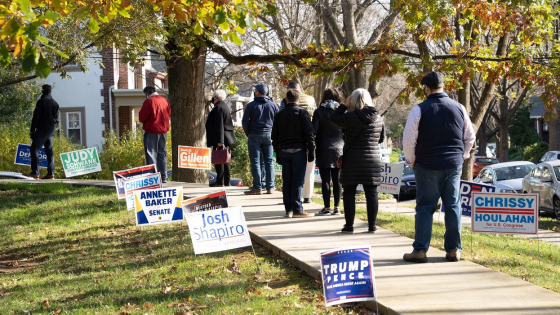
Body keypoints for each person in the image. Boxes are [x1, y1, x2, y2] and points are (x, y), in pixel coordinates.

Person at [402, 72, 475, 263]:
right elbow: (470, 137)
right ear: (443, 86)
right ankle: (453, 250)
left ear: (426, 88)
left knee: (425, 207)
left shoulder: (419, 110)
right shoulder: (459, 108)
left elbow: (409, 140)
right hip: (453, 164)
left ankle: (420, 250)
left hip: (426, 165)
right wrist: (463, 155)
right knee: (452, 206)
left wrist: (411, 160)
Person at [330, 88, 384, 234]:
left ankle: (349, 225)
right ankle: (372, 225)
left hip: (352, 160)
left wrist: (344, 106)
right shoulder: (378, 117)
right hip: (371, 160)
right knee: (371, 193)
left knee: (349, 192)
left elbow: (333, 118)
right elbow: (381, 139)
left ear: (352, 100)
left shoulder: (350, 117)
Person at [272, 89, 315, 217]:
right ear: (299, 100)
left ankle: (288, 209)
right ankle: (297, 209)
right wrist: (312, 150)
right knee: (297, 181)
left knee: (287, 181)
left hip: (284, 150)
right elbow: (309, 134)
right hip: (298, 150)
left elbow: (274, 135)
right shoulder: (303, 113)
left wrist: (277, 152)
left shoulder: (279, 115)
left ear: (286, 100)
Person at [279, 81, 316, 203]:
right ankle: (307, 196)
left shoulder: (285, 101)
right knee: (309, 171)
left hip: (289, 141)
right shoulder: (311, 99)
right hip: (308, 138)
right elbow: (315, 117)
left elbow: (281, 118)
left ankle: (292, 202)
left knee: (291, 175)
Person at [242, 83, 279, 195]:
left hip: (254, 134)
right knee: (269, 162)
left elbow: (244, 122)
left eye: (255, 90)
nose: (254, 91)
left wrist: (248, 133)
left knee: (255, 162)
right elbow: (278, 121)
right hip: (268, 134)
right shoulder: (273, 105)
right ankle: (270, 187)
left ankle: (257, 187)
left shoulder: (251, 105)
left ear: (258, 92)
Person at [312, 88, 344, 215]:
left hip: (324, 147)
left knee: (325, 179)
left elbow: (313, 129)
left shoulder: (319, 112)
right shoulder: (341, 112)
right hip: (339, 147)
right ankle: (337, 207)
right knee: (337, 180)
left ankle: (326, 207)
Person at [24, 84, 59, 179]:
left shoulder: (41, 102)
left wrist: (32, 130)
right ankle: (50, 173)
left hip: (42, 129)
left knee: (34, 149)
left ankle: (35, 172)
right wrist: (53, 127)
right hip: (51, 130)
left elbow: (36, 117)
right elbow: (57, 119)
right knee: (49, 150)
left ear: (42, 91)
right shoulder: (55, 103)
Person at [139, 86, 171, 183]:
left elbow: (142, 117)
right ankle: (163, 176)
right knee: (162, 153)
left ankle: (152, 177)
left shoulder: (149, 101)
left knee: (151, 153)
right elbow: (169, 114)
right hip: (163, 130)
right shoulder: (165, 101)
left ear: (147, 93)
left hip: (152, 130)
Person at [206, 89, 236, 187]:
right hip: (226, 137)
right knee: (225, 159)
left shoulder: (219, 108)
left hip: (220, 138)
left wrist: (220, 141)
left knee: (219, 160)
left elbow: (219, 125)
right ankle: (226, 181)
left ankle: (220, 181)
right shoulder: (224, 106)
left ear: (216, 97)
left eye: (213, 96)